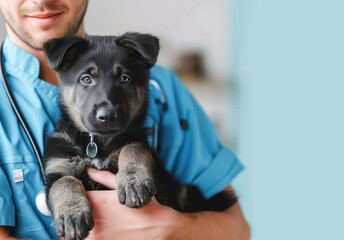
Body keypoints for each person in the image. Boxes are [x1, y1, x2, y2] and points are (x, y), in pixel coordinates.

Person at [0, 0, 250, 239]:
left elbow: (236, 229)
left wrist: (171, 229)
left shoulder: (164, 89)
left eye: (124, 80)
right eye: (87, 79)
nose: (41, 0)